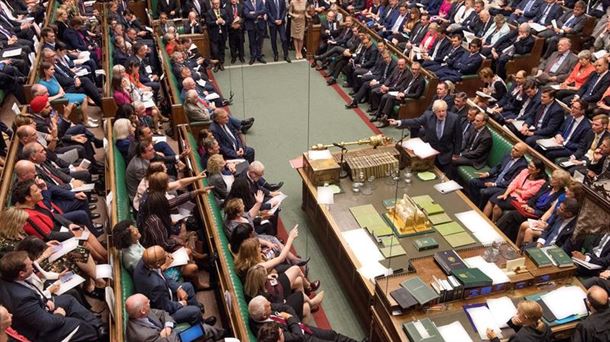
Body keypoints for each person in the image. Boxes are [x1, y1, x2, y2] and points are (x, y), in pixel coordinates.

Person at [0, 251, 103, 341]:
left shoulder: (9, 278)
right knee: (80, 326)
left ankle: (100, 327)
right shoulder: (22, 299)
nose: (33, 264)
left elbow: (31, 290)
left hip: (39, 308)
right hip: (41, 333)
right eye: (30, 264)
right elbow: (46, 324)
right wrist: (59, 315)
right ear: (21, 273)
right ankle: (98, 335)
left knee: (69, 300)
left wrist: (44, 300)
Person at [133, 245, 216, 326]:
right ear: (158, 264)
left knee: (188, 286)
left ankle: (199, 317)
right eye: (164, 256)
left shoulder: (146, 261)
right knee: (195, 311)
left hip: (164, 296)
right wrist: (181, 304)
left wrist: (178, 289)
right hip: (164, 313)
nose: (168, 255)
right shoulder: (156, 285)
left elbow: (161, 275)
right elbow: (166, 307)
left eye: (164, 252)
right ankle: (201, 324)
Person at [497, 169, 570, 242]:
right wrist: (527, 205)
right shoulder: (547, 185)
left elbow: (549, 212)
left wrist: (534, 211)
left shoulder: (561, 195)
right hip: (529, 209)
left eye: (554, 179)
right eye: (552, 177)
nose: (551, 179)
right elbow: (535, 197)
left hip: (538, 215)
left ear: (560, 183)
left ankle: (497, 232)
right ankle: (502, 238)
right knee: (513, 216)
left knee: (511, 214)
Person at [389, 99, 462, 172]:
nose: (441, 113)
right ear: (434, 111)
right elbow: (415, 121)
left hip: (446, 154)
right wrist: (398, 122)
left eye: (443, 111)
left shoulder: (454, 118)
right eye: (439, 111)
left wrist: (456, 153)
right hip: (430, 153)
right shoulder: (428, 116)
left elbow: (458, 137)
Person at [248, 295, 358, 342]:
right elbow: (298, 337)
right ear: (263, 316)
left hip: (300, 327)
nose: (270, 304)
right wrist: (290, 318)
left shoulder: (257, 311)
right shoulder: (270, 333)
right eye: (268, 306)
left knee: (332, 335)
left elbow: (286, 307)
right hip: (303, 338)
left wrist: (295, 321)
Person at [483, 159, 547, 222]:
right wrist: (506, 194)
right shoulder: (525, 171)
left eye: (531, 167)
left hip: (520, 200)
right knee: (491, 200)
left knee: (497, 206)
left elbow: (526, 194)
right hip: (510, 192)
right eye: (529, 165)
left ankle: (492, 223)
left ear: (538, 170)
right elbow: (514, 183)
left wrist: (516, 190)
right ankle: (483, 220)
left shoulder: (541, 182)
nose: (528, 167)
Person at [486, 300, 550, 341]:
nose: (516, 314)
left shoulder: (519, 338)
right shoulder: (546, 326)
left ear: (525, 317)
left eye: (518, 312)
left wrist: (494, 338)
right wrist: (516, 325)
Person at [244, 0, 267, 64]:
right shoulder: (246, 3)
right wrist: (257, 15)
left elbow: (264, 10)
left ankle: (259, 56)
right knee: (252, 42)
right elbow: (246, 14)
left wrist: (254, 13)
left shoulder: (260, 1)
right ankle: (253, 56)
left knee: (260, 41)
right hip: (251, 25)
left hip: (260, 25)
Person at [206, 1, 227, 71]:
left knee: (222, 50)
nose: (216, 5)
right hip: (214, 35)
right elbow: (208, 23)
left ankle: (221, 64)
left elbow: (228, 20)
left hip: (222, 34)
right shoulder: (209, 12)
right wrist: (216, 22)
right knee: (215, 51)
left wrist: (223, 22)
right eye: (215, 4)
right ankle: (216, 64)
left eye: (217, 3)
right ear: (212, 4)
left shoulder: (223, 11)